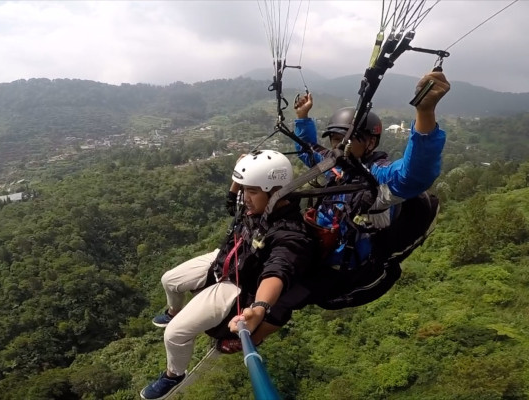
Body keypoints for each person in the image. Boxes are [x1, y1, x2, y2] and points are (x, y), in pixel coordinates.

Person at [229, 70, 450, 339]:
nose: (339, 147)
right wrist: (302, 119)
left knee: (285, 298)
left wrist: (425, 113)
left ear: (370, 142)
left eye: (347, 141)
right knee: (263, 263)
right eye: (335, 140)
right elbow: (311, 152)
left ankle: (251, 339)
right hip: (321, 247)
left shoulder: (376, 180)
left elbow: (414, 175)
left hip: (343, 267)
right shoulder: (338, 166)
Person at [140, 150, 313, 400]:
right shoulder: (255, 205)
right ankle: (173, 311)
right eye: (245, 190)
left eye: (252, 191)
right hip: (224, 258)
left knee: (175, 335)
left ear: (276, 191)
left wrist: (261, 307)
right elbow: (232, 203)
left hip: (237, 282)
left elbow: (278, 270)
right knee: (169, 280)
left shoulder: (291, 233)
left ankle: (173, 374)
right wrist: (239, 175)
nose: (246, 198)